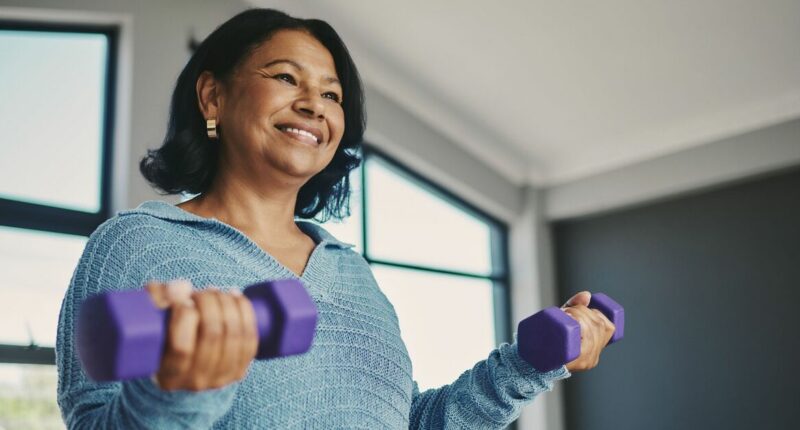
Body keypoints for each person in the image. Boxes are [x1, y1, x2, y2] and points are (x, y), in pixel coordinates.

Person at [56, 8, 616, 429]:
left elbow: (411, 422)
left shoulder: (351, 271)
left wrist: (526, 365)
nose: (314, 104)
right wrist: (174, 394)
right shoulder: (136, 244)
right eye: (285, 78)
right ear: (212, 98)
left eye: (332, 94)